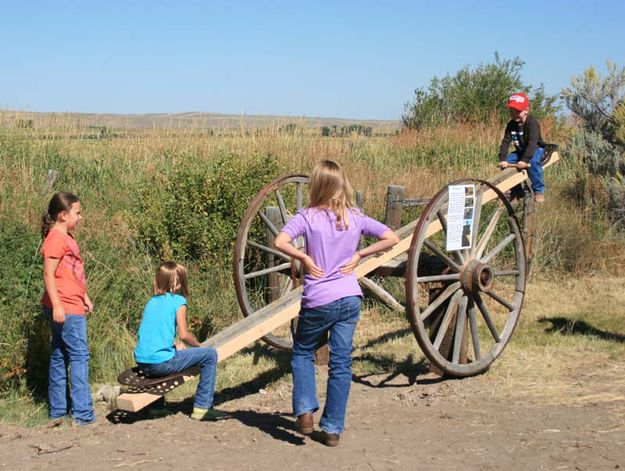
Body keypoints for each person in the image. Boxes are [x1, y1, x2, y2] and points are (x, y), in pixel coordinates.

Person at [274, 160, 399, 446]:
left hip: (318, 299)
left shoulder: (307, 217)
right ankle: (332, 430)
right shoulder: (355, 217)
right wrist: (359, 255)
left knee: (303, 352)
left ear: (317, 185)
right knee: (341, 363)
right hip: (349, 298)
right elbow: (391, 237)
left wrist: (304, 258)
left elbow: (280, 241)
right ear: (341, 184)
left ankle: (305, 411)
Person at [134, 261, 227, 421]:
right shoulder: (178, 301)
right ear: (178, 283)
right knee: (210, 355)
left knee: (163, 355)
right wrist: (199, 345)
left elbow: (152, 335)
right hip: (160, 364)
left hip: (142, 361)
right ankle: (203, 407)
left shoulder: (151, 301)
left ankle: (156, 407)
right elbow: (183, 334)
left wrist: (172, 346)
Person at [41, 192, 96, 425]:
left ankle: (59, 412)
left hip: (72, 302)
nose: (80, 217)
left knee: (59, 354)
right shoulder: (55, 239)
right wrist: (58, 305)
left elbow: (73, 273)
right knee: (79, 356)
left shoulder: (68, 238)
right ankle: (83, 415)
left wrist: (84, 295)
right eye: (77, 213)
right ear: (63, 215)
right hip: (65, 307)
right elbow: (48, 274)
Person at [498, 92, 546, 202]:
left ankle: (539, 190)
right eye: (511, 112)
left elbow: (532, 143)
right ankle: (517, 191)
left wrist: (524, 160)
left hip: (535, 149)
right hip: (520, 151)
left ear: (526, 110)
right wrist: (502, 159)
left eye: (517, 112)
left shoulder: (532, 123)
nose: (514, 114)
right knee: (507, 163)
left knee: (533, 162)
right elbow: (505, 142)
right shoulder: (511, 124)